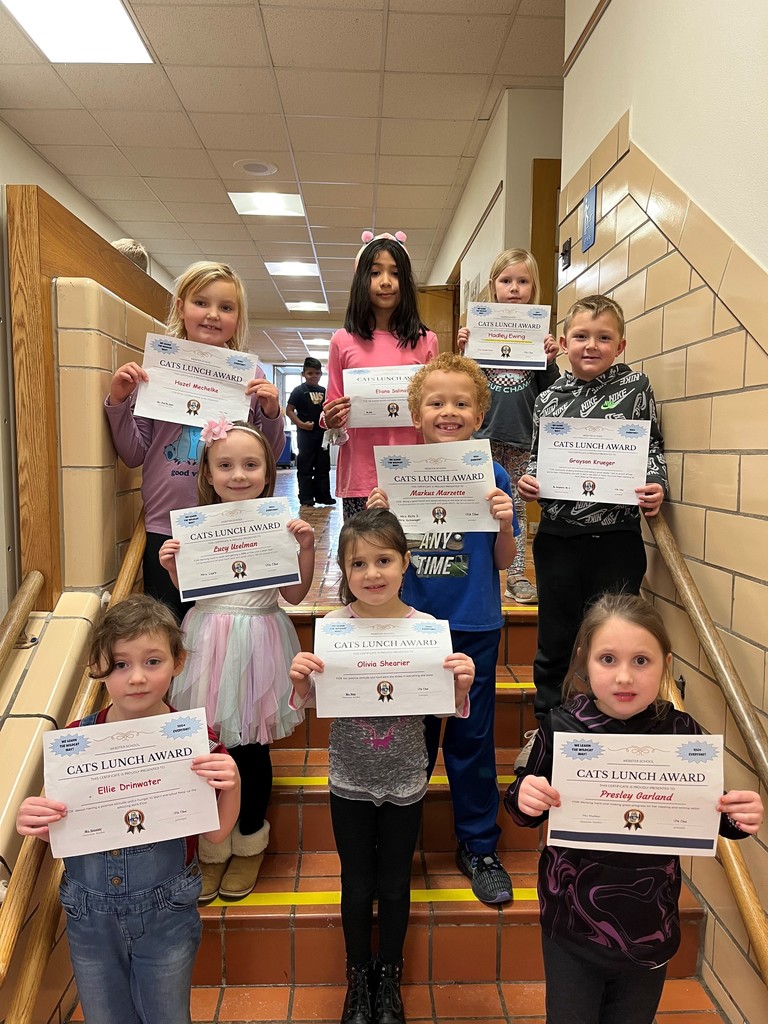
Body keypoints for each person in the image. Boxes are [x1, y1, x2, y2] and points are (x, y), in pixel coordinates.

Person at [504, 593, 763, 1024]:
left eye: (641, 661)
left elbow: (711, 815)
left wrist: (739, 816)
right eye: (608, 659)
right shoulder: (563, 726)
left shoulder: (683, 734)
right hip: (572, 923)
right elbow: (522, 809)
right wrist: (525, 797)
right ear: (586, 661)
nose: (624, 676)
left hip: (650, 925)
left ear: (665, 664)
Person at [16, 595, 240, 1024]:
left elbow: (216, 834)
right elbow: (65, 824)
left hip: (167, 911)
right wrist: (38, 821)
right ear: (97, 666)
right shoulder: (74, 743)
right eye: (120, 664)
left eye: (152, 661)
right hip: (89, 916)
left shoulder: (198, 742)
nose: (137, 678)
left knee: (167, 1015)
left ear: (178, 662)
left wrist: (233, 783)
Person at [288, 509, 475, 1024]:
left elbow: (444, 708)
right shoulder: (334, 629)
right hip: (349, 777)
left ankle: (388, 975)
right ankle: (358, 977)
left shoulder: (427, 631)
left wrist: (460, 685)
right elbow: (310, 702)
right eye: (358, 564)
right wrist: (301, 682)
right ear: (344, 571)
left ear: (406, 562)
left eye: (384, 560)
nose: (372, 573)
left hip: (406, 777)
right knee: (356, 882)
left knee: (394, 883)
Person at [368, 353, 519, 905]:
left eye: (461, 403)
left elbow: (503, 560)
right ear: (416, 414)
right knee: (405, 740)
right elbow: (376, 564)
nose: (448, 411)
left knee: (471, 741)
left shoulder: (493, 476)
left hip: (474, 626)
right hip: (409, 628)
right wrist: (376, 515)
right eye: (436, 402)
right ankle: (391, 848)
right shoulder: (397, 476)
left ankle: (478, 846)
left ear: (479, 414)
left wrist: (505, 521)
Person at [159, 417, 314, 902]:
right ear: (207, 473)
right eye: (225, 465)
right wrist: (172, 567)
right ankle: (213, 847)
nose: (239, 475)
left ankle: (249, 842)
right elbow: (191, 592)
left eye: (251, 464)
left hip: (260, 639)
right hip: (207, 641)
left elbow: (295, 595)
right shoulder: (194, 527)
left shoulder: (278, 525)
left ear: (268, 471)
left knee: (252, 750)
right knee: (208, 749)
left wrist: (305, 549)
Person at [518, 294, 668, 747]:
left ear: (620, 346)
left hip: (617, 538)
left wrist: (656, 484)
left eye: (604, 338)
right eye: (581, 336)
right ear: (564, 343)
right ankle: (547, 729)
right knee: (556, 639)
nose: (591, 345)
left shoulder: (636, 388)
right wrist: (529, 481)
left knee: (616, 636)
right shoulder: (548, 398)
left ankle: (613, 726)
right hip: (558, 538)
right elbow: (536, 457)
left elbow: (653, 447)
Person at [104, 261, 285, 623]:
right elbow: (134, 453)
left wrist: (271, 412)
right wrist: (119, 401)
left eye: (226, 307)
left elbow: (269, 456)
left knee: (223, 624)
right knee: (169, 628)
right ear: (180, 307)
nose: (213, 314)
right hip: (167, 527)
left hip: (229, 525)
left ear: (238, 317)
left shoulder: (251, 376)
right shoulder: (157, 369)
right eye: (201, 303)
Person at [457, 248, 559, 604]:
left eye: (522, 281)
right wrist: (464, 352)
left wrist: (549, 361)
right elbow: (465, 386)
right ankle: (472, 568)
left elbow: (551, 394)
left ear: (533, 287)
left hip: (520, 439)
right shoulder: (480, 330)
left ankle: (515, 576)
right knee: (474, 502)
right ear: (493, 286)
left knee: (513, 506)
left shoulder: (539, 335)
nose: (514, 288)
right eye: (506, 281)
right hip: (481, 437)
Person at [322, 231, 438, 520]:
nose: (385, 281)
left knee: (411, 548)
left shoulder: (426, 341)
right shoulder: (342, 340)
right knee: (362, 547)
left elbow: (435, 407)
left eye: (395, 273)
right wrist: (331, 418)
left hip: (414, 474)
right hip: (360, 475)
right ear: (362, 280)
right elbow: (331, 409)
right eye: (375, 273)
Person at [286, 355, 335, 508]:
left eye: (317, 373)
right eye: (310, 373)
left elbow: (329, 411)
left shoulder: (324, 391)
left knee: (323, 465)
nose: (314, 376)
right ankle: (306, 497)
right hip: (305, 435)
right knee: (305, 466)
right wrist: (301, 424)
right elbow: (289, 410)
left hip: (322, 435)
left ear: (321, 374)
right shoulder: (298, 391)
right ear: (303, 374)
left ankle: (323, 496)